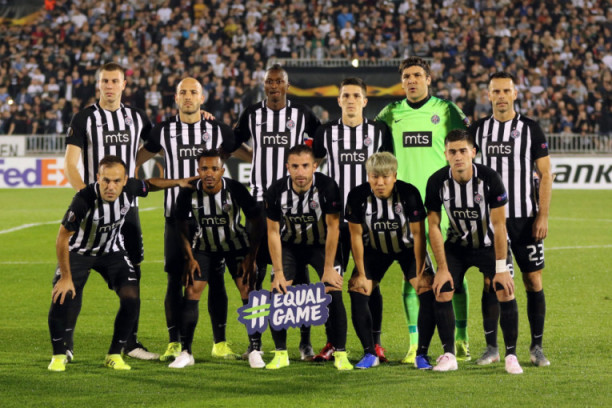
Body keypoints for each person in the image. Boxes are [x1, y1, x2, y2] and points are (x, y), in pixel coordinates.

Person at [48, 156, 195, 372]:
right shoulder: (83, 199)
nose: (111, 186)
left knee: (131, 297)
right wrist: (66, 277)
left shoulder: (130, 189)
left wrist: (178, 182)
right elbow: (62, 237)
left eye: (117, 181)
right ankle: (59, 355)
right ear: (98, 178)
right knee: (62, 296)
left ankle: (114, 354)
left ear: (125, 180)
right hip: (79, 252)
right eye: (106, 180)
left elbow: (150, 184)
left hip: (112, 251)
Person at [375, 56, 472, 363]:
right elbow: (378, 154)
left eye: (417, 75)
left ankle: (461, 338)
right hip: (405, 207)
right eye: (407, 76)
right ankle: (414, 343)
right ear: (402, 81)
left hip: (443, 205)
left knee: (453, 272)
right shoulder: (390, 113)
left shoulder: (446, 110)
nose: (412, 80)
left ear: (428, 79)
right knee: (413, 276)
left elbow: (466, 148)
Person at [136, 77, 238, 362]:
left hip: (212, 219)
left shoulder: (218, 130)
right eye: (184, 92)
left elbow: (235, 149)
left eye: (194, 92)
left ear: (202, 98)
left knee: (216, 279)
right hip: (176, 217)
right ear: (176, 97)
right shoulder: (163, 130)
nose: (189, 96)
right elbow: (138, 158)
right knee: (175, 280)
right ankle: (174, 342)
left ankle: (220, 342)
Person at [63, 62, 157, 361]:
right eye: (105, 81)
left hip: (128, 210)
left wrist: (134, 165)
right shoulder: (85, 118)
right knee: (77, 272)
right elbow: (70, 163)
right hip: (92, 212)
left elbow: (157, 142)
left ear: (124, 85)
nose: (110, 86)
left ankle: (130, 343)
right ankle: (64, 345)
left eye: (115, 81)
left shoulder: (136, 117)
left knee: (133, 273)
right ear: (98, 84)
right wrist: (86, 198)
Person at [233, 63, 320, 360]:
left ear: (286, 85)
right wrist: (253, 156)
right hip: (259, 205)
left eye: (278, 82)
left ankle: (305, 342)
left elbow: (321, 145)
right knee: (254, 275)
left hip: (294, 204)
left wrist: (307, 173)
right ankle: (255, 342)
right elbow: (232, 143)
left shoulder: (302, 114)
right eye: (269, 82)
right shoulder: (252, 114)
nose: (273, 86)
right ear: (264, 85)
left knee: (301, 276)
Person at [470, 72, 552, 367]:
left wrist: (542, 215)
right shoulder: (478, 130)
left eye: (506, 91)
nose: (501, 96)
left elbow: (545, 174)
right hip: (491, 222)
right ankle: (492, 348)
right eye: (496, 91)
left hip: (525, 220)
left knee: (533, 280)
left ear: (515, 94)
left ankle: (537, 347)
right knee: (491, 281)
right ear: (488, 95)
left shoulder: (530, 129)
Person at [425, 129, 522, 374]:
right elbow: (433, 226)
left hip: (490, 245)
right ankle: (449, 355)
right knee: (442, 290)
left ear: (473, 153)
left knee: (504, 290)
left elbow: (499, 225)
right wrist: (442, 268)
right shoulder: (437, 181)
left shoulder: (489, 179)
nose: (458, 156)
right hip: (457, 246)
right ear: (445, 154)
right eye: (452, 152)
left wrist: (501, 269)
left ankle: (510, 355)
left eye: (463, 151)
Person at [312, 77, 393, 362]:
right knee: (331, 284)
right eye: (345, 95)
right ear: (339, 100)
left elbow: (387, 171)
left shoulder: (379, 131)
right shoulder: (325, 132)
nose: (350, 100)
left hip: (368, 222)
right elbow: (313, 166)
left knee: (368, 283)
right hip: (334, 222)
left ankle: (376, 343)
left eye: (356, 96)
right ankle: (333, 342)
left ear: (365, 101)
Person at [170, 149, 265, 369]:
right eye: (205, 169)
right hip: (204, 246)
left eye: (214, 168)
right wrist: (189, 257)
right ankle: (186, 352)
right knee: (192, 290)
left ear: (222, 170)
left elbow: (257, 221)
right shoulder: (188, 192)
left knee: (248, 289)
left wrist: (251, 257)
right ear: (198, 170)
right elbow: (180, 224)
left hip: (236, 245)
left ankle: (255, 349)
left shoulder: (236, 189)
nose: (209, 173)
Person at [345, 152, 437, 369]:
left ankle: (422, 354)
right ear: (368, 176)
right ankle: (370, 353)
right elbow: (355, 237)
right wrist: (361, 273)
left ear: (394, 176)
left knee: (427, 288)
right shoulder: (357, 196)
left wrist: (420, 271)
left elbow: (419, 235)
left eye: (385, 177)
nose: (380, 182)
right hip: (375, 250)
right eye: (375, 177)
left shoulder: (409, 193)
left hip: (407, 249)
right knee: (358, 287)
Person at [263, 145, 351, 371]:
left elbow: (333, 228)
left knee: (333, 291)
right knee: (278, 293)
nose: (300, 172)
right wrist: (278, 272)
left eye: (305, 166)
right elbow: (272, 232)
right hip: (290, 246)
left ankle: (341, 353)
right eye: (295, 166)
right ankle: (280, 353)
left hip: (321, 245)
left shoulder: (328, 187)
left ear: (314, 166)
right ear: (287, 167)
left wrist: (329, 267)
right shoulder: (276, 191)